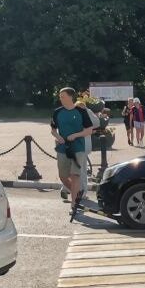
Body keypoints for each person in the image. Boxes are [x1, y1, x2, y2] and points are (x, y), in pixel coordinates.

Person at [51, 87, 93, 217]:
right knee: (63, 176)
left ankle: (73, 204)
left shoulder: (81, 111)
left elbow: (89, 130)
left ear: (70, 97)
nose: (60, 98)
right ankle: (78, 192)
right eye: (60, 96)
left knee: (75, 175)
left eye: (62, 96)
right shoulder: (57, 112)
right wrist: (58, 137)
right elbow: (53, 130)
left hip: (78, 148)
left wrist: (75, 135)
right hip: (62, 149)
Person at [62, 100, 100, 200]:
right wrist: (87, 110)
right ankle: (81, 193)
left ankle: (65, 188)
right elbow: (97, 122)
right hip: (82, 147)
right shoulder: (85, 114)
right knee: (82, 171)